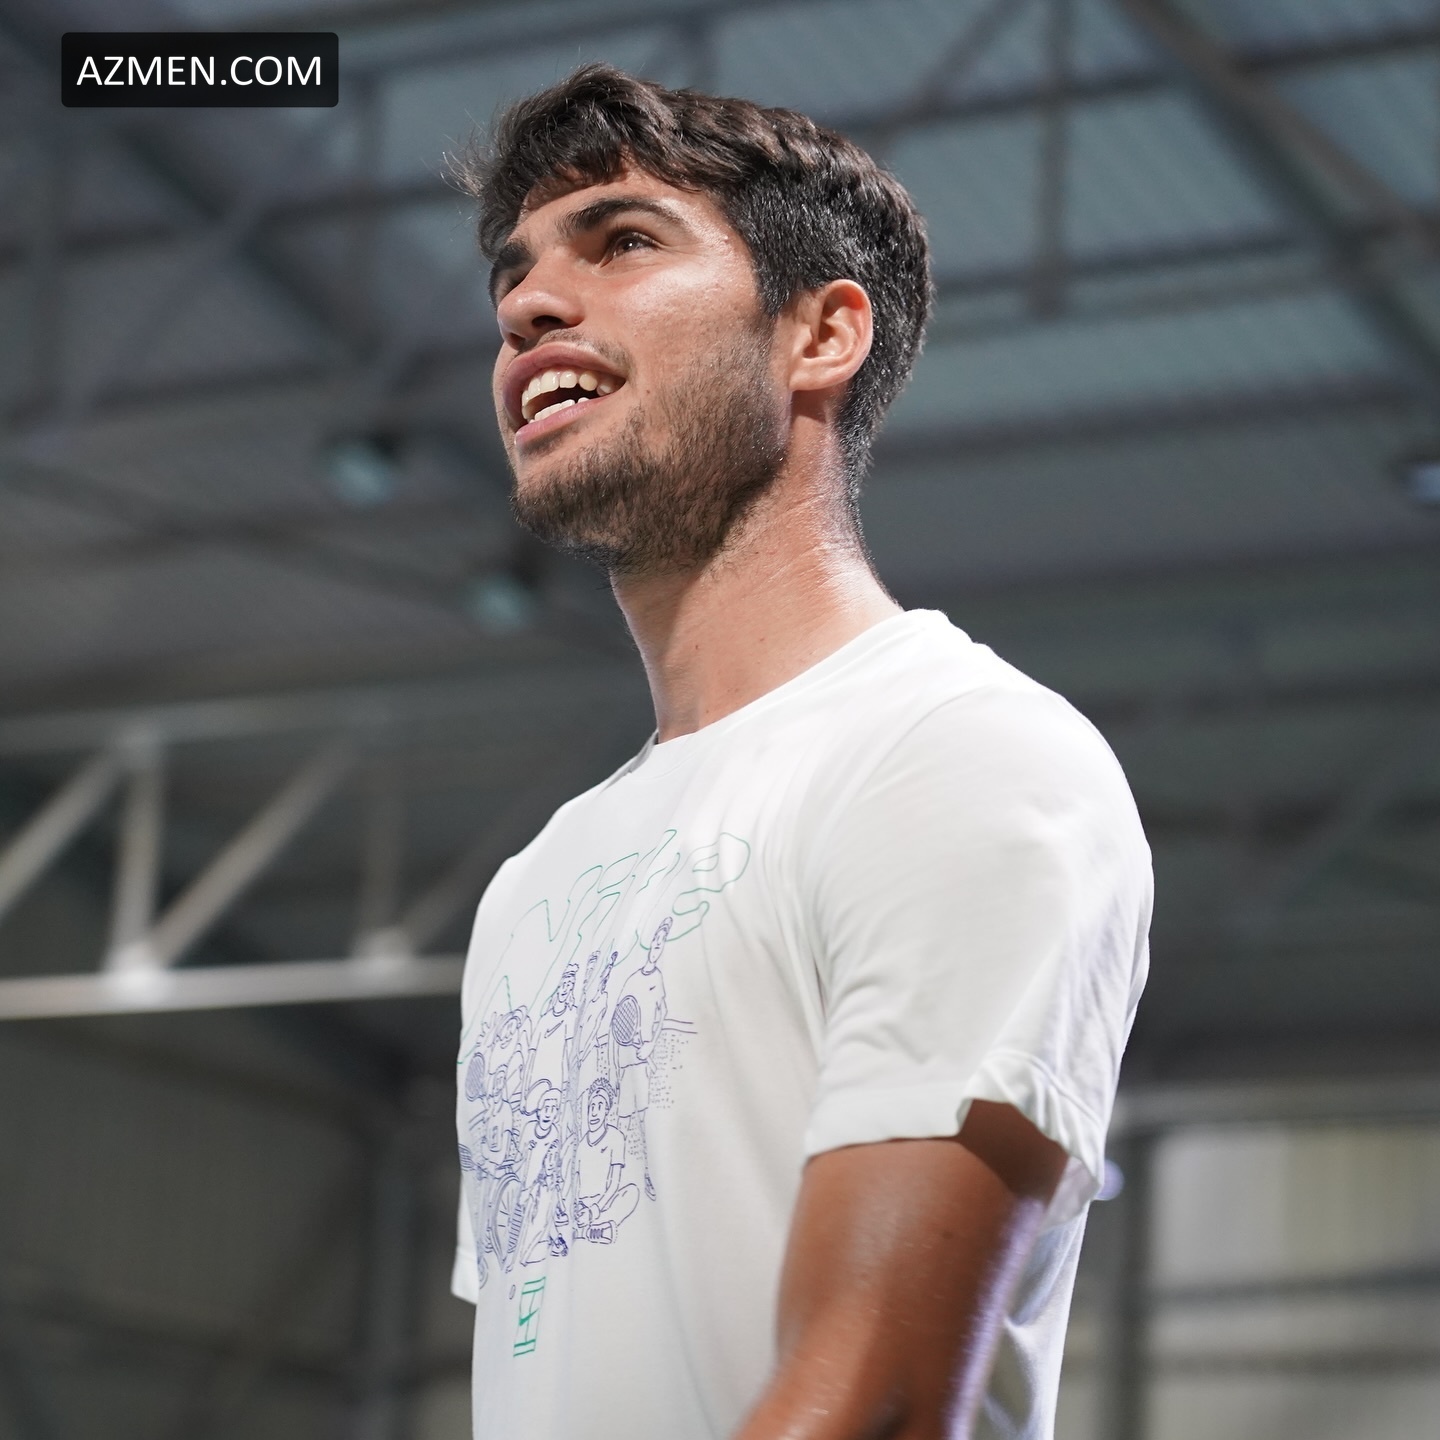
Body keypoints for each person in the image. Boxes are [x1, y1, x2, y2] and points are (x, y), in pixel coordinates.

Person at [450, 63, 1152, 1440]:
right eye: (514, 277)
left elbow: (876, 1399)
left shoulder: (961, 755)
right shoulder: (533, 885)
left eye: (622, 242)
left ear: (821, 334)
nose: (528, 306)